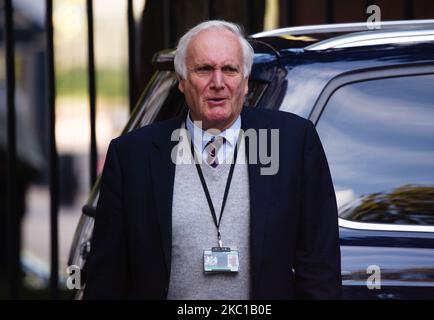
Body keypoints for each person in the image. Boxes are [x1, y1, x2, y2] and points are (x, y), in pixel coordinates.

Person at [83, 20, 341, 300]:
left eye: (229, 69)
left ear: (244, 81)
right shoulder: (132, 156)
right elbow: (107, 279)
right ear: (182, 81)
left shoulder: (292, 143)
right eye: (204, 69)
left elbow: (319, 268)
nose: (218, 83)